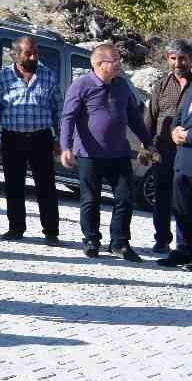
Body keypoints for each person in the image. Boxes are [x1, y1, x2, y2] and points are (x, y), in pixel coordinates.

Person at [60, 43, 151, 259]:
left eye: (120, 59)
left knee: (125, 198)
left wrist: (148, 141)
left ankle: (119, 242)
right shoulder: (81, 86)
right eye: (115, 60)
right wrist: (65, 147)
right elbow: (68, 118)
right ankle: (91, 239)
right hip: (90, 154)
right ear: (100, 64)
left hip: (119, 152)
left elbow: (134, 118)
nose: (120, 64)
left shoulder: (121, 85)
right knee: (90, 199)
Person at [0, 36, 63, 245]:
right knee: (13, 185)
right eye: (28, 53)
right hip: (12, 138)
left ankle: (51, 231)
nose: (33, 56)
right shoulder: (4, 77)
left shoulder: (47, 75)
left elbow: (59, 110)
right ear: (15, 54)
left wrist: (60, 139)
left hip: (41, 138)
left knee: (46, 186)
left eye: (35, 52)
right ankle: (16, 228)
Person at [141, 41, 191, 257]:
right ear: (167, 60)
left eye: (182, 58)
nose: (178, 63)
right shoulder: (161, 86)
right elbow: (150, 119)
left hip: (188, 153)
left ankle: (185, 246)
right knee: (162, 197)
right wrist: (146, 147)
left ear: (190, 59)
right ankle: (162, 240)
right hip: (163, 152)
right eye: (173, 58)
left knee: (186, 199)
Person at [160, 86, 192, 271]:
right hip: (182, 161)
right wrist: (174, 132)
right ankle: (183, 250)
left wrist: (187, 136)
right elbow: (179, 117)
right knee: (182, 209)